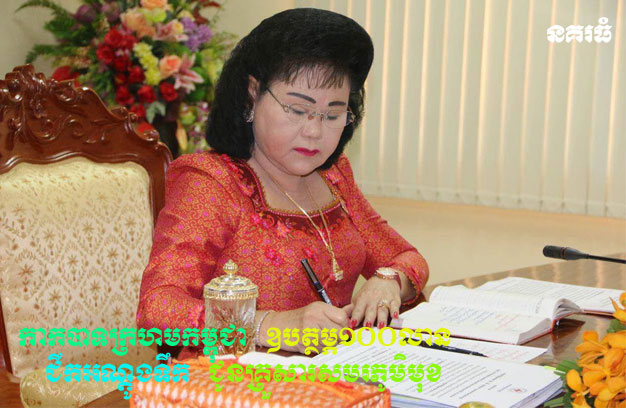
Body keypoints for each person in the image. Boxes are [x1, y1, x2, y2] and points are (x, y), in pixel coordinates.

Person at [137, 8, 429, 355]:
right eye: (297, 110)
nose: (314, 131)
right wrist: (268, 325)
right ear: (253, 94)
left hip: (333, 373)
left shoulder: (335, 177)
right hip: (234, 378)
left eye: (332, 114)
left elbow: (406, 257)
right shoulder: (210, 182)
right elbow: (157, 308)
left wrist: (388, 281)